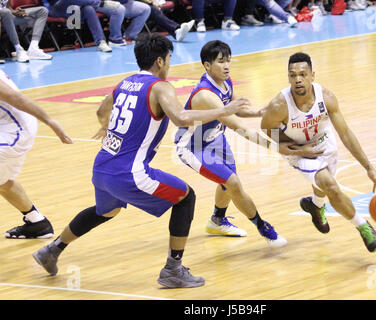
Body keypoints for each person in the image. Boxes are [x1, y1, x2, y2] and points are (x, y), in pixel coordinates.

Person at [32, 33, 248, 288]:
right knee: (185, 197)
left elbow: (102, 111)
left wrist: (108, 128)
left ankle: (52, 250)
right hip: (130, 173)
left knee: (106, 211)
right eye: (169, 59)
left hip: (103, 167)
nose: (169, 65)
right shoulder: (160, 86)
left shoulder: (125, 82)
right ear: (159, 61)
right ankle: (173, 270)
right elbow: (179, 117)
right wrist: (223, 111)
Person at [261, 52, 376, 252]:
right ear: (288, 78)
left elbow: (346, 134)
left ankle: (316, 205)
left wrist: (369, 169)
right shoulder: (279, 105)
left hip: (324, 143)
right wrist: (292, 147)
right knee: (330, 185)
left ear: (313, 75)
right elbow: (266, 127)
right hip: (300, 152)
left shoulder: (327, 98)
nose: (298, 80)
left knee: (323, 183)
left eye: (303, 74)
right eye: (293, 75)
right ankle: (363, 226)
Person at [174, 40, 287, 247]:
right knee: (233, 183)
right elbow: (239, 128)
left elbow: (235, 110)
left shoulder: (225, 82)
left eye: (228, 61)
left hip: (215, 138)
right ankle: (263, 227)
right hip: (193, 147)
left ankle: (217, 220)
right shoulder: (205, 95)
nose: (226, 66)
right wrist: (276, 146)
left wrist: (259, 111)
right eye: (220, 62)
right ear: (207, 65)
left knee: (227, 184)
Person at [0, 69, 73, 239]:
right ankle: (37, 223)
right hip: (7, 125)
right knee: (1, 180)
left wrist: (50, 121)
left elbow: (15, 98)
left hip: (15, 130)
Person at [44, 0, 120, 52]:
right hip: (54, 8)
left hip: (74, 7)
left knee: (88, 9)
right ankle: (100, 3)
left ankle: (100, 42)